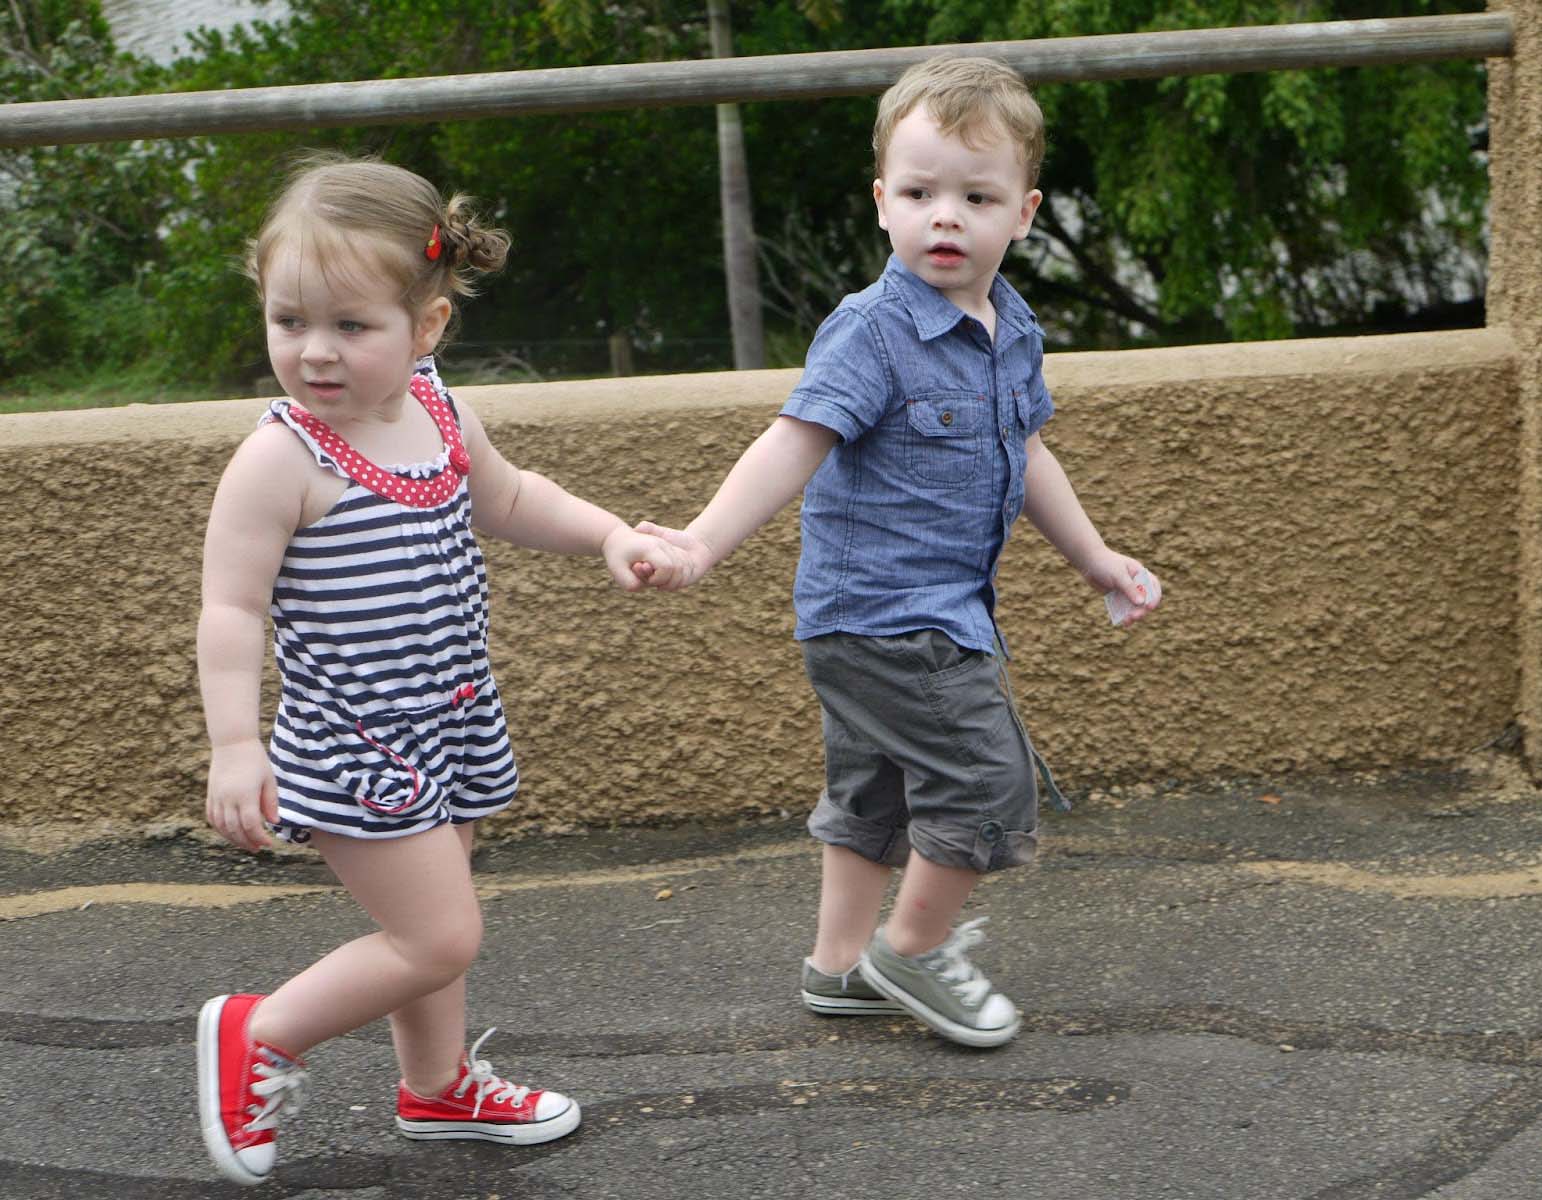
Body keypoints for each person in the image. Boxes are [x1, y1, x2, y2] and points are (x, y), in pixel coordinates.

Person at [637, 56, 1161, 1048]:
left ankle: (839, 968)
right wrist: (702, 541)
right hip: (884, 620)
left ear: (1024, 213)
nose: (945, 218)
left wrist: (1095, 559)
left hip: (920, 616)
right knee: (985, 782)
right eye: (919, 194)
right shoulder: (871, 333)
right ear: (883, 203)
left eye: (976, 196)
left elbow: (1027, 451)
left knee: (873, 791)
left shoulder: (1011, 331)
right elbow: (792, 440)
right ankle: (912, 950)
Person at [194, 153, 687, 1185]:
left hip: (448, 722)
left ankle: (436, 1086)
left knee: (432, 916)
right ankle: (262, 1031)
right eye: (290, 322)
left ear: (425, 328)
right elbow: (231, 610)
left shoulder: (439, 411)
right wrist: (236, 748)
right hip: (357, 742)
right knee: (438, 936)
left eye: (350, 326)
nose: (315, 353)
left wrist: (604, 535)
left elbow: (509, 499)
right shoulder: (281, 460)